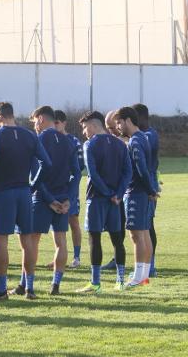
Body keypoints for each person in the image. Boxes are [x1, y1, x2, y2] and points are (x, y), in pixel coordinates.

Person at [0, 102, 51, 301]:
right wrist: (33, 185)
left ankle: (1, 289)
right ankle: (30, 288)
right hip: (24, 193)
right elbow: (46, 163)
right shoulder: (30, 135)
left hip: (4, 193)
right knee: (27, 241)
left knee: (1, 241)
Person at [10, 106, 79, 297]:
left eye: (34, 121)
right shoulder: (68, 141)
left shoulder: (38, 139)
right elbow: (77, 174)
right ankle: (55, 285)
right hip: (63, 199)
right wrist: (68, 200)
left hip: (42, 198)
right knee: (61, 242)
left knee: (31, 242)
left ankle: (28, 287)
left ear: (40, 119)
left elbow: (36, 174)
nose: (34, 125)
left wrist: (48, 200)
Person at [75, 111, 131, 294]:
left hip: (97, 199)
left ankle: (95, 284)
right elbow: (127, 172)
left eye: (84, 127)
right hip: (115, 200)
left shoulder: (90, 144)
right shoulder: (120, 144)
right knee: (118, 240)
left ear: (93, 125)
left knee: (94, 239)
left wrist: (108, 194)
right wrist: (118, 194)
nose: (84, 132)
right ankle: (120, 282)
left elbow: (92, 173)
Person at [115, 106, 158, 288]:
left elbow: (141, 168)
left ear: (127, 120)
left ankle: (138, 277)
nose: (117, 127)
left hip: (137, 193)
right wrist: (152, 190)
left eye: (118, 122)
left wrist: (149, 190)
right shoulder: (143, 137)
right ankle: (144, 275)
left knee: (136, 235)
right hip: (144, 192)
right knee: (145, 232)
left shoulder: (135, 141)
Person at [53, 110, 85, 268]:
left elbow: (80, 166)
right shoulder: (49, 140)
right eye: (53, 122)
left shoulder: (73, 141)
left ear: (64, 123)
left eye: (57, 122)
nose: (55, 125)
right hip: (54, 189)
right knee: (58, 225)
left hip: (69, 188)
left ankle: (77, 257)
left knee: (73, 221)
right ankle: (59, 257)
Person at [132, 103, 160, 277]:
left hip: (147, 185)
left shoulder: (148, 135)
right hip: (144, 184)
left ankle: (150, 266)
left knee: (147, 226)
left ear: (141, 117)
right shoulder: (143, 135)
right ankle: (147, 266)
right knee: (142, 227)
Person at [99, 109, 128, 272]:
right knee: (118, 227)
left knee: (138, 229)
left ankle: (146, 265)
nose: (110, 131)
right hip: (116, 193)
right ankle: (117, 259)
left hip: (125, 192)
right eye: (108, 128)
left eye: (112, 127)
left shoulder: (126, 142)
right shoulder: (114, 142)